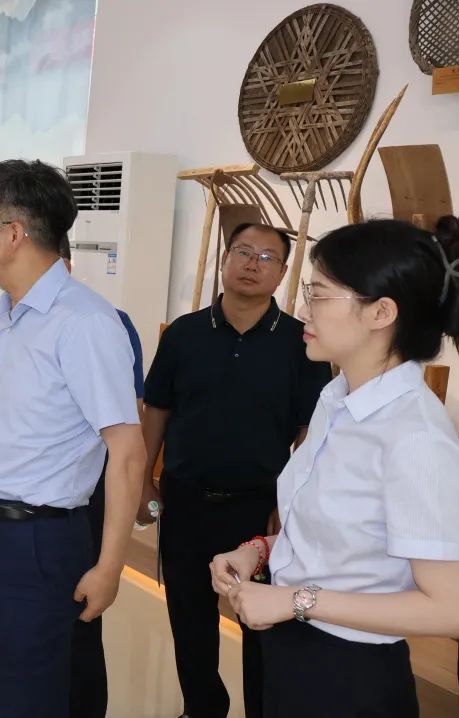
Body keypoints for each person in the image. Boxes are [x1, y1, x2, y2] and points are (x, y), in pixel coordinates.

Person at [211, 217, 459, 718]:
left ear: (381, 312)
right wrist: (260, 549)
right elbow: (347, 536)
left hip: (350, 673)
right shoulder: (337, 396)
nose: (304, 309)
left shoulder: (414, 435)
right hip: (292, 650)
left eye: (320, 295)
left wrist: (296, 600)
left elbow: (451, 608)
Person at [0, 159, 146, 718]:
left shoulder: (84, 323)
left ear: (14, 234)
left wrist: (110, 567)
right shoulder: (7, 314)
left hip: (37, 541)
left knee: (32, 698)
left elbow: (128, 453)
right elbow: (2, 426)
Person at [142, 223, 332, 718]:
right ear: (225, 259)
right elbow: (157, 409)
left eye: (266, 258)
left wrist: (288, 504)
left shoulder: (299, 343)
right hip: (185, 500)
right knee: (189, 618)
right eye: (243, 252)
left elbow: (309, 430)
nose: (252, 264)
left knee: (261, 624)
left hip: (258, 509)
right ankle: (202, 707)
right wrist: (142, 478)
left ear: (282, 273)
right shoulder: (183, 334)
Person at [59, 240, 146, 718]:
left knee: (80, 622)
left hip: (87, 495)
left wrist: (112, 563)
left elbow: (128, 430)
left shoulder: (104, 322)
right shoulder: (10, 320)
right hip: (21, 512)